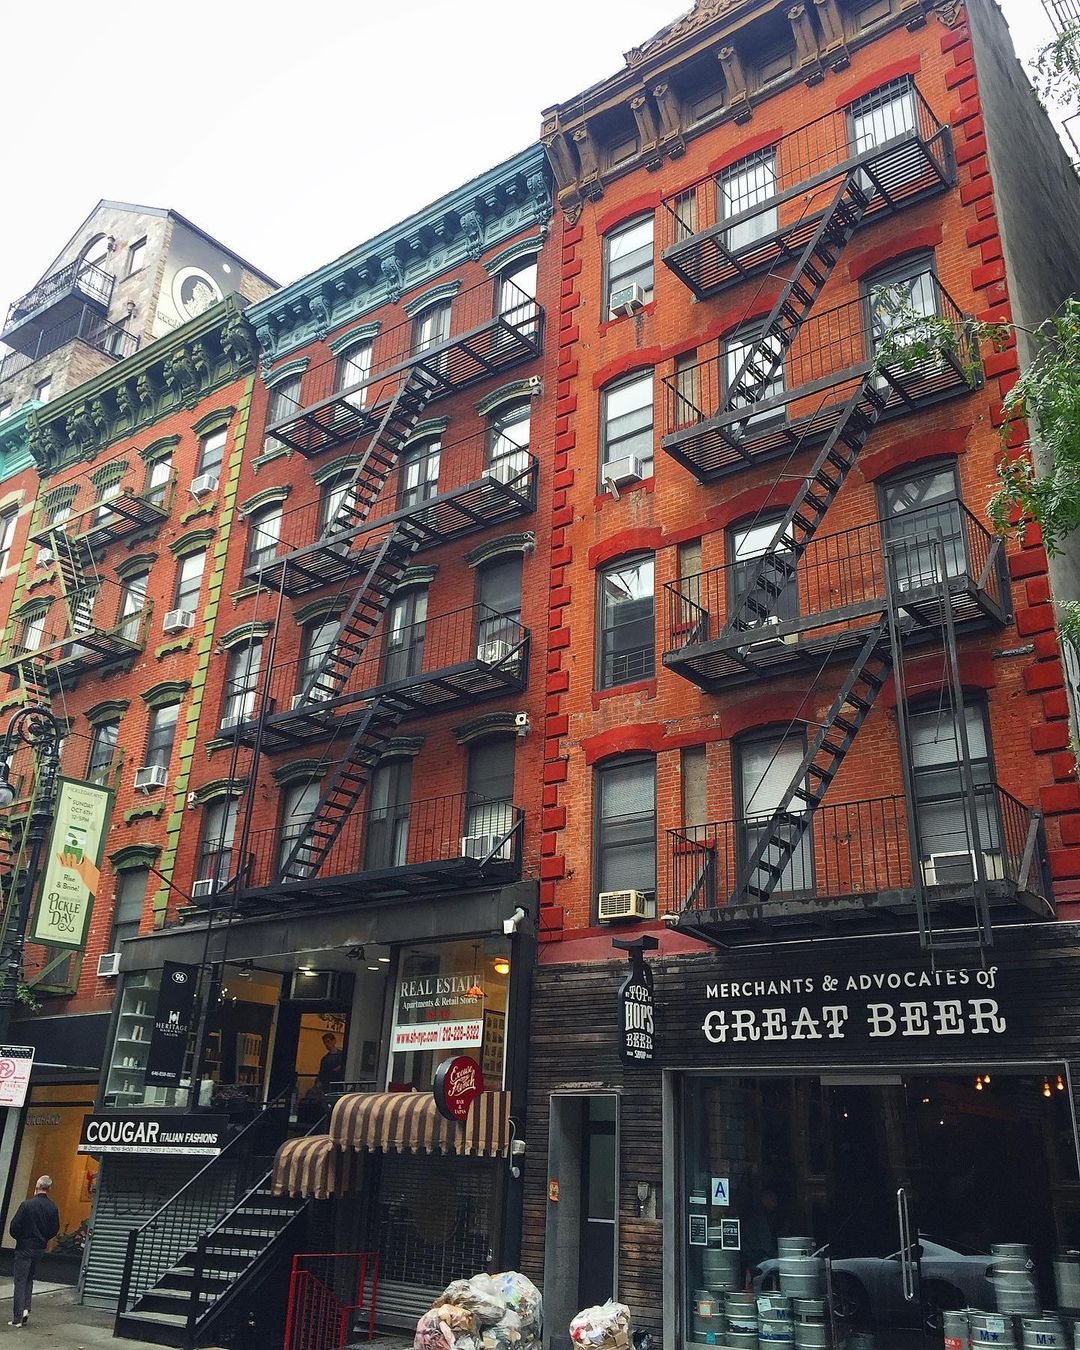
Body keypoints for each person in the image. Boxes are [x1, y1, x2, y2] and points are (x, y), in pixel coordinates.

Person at [8, 1176, 59, 1326]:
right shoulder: (52, 1207)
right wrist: (43, 1239)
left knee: (20, 1281)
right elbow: (54, 1229)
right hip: (39, 1248)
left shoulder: (26, 1205)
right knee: (30, 1278)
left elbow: (14, 1227)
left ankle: (18, 1317)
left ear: (36, 1187)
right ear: (48, 1189)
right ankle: (26, 1308)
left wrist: (21, 1238)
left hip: (24, 1247)